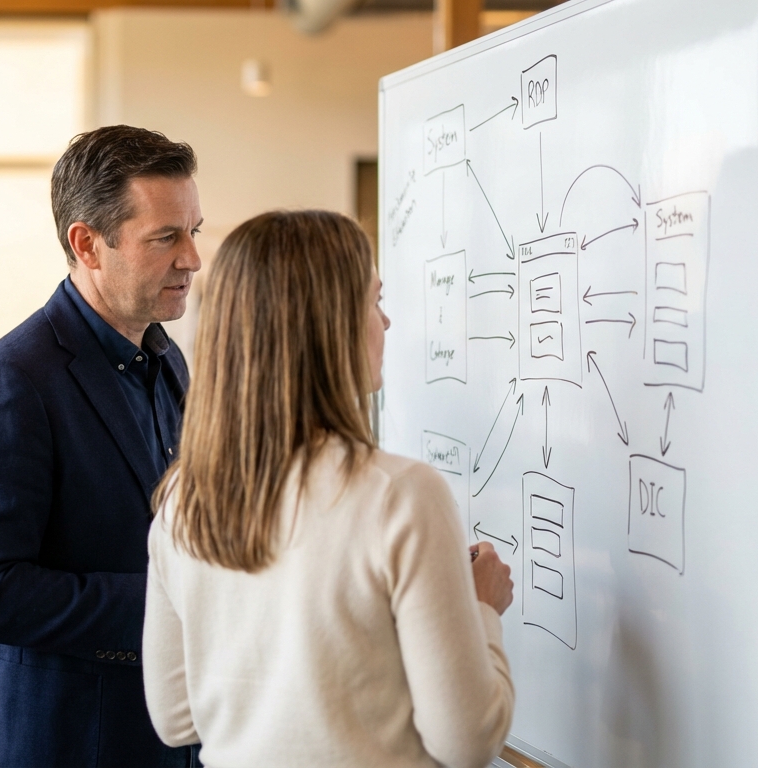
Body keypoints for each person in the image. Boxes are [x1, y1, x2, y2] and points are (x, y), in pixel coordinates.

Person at [143, 211, 515, 768]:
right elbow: (468, 741)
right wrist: (481, 608)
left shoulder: (182, 502)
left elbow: (176, 717)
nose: (385, 323)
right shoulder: (402, 495)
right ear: (328, 325)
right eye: (373, 301)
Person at [0, 125, 203, 768]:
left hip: (156, 724)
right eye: (166, 237)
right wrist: (179, 603)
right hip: (57, 735)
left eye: (194, 230)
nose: (192, 257)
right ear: (87, 244)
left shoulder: (165, 362)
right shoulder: (12, 381)